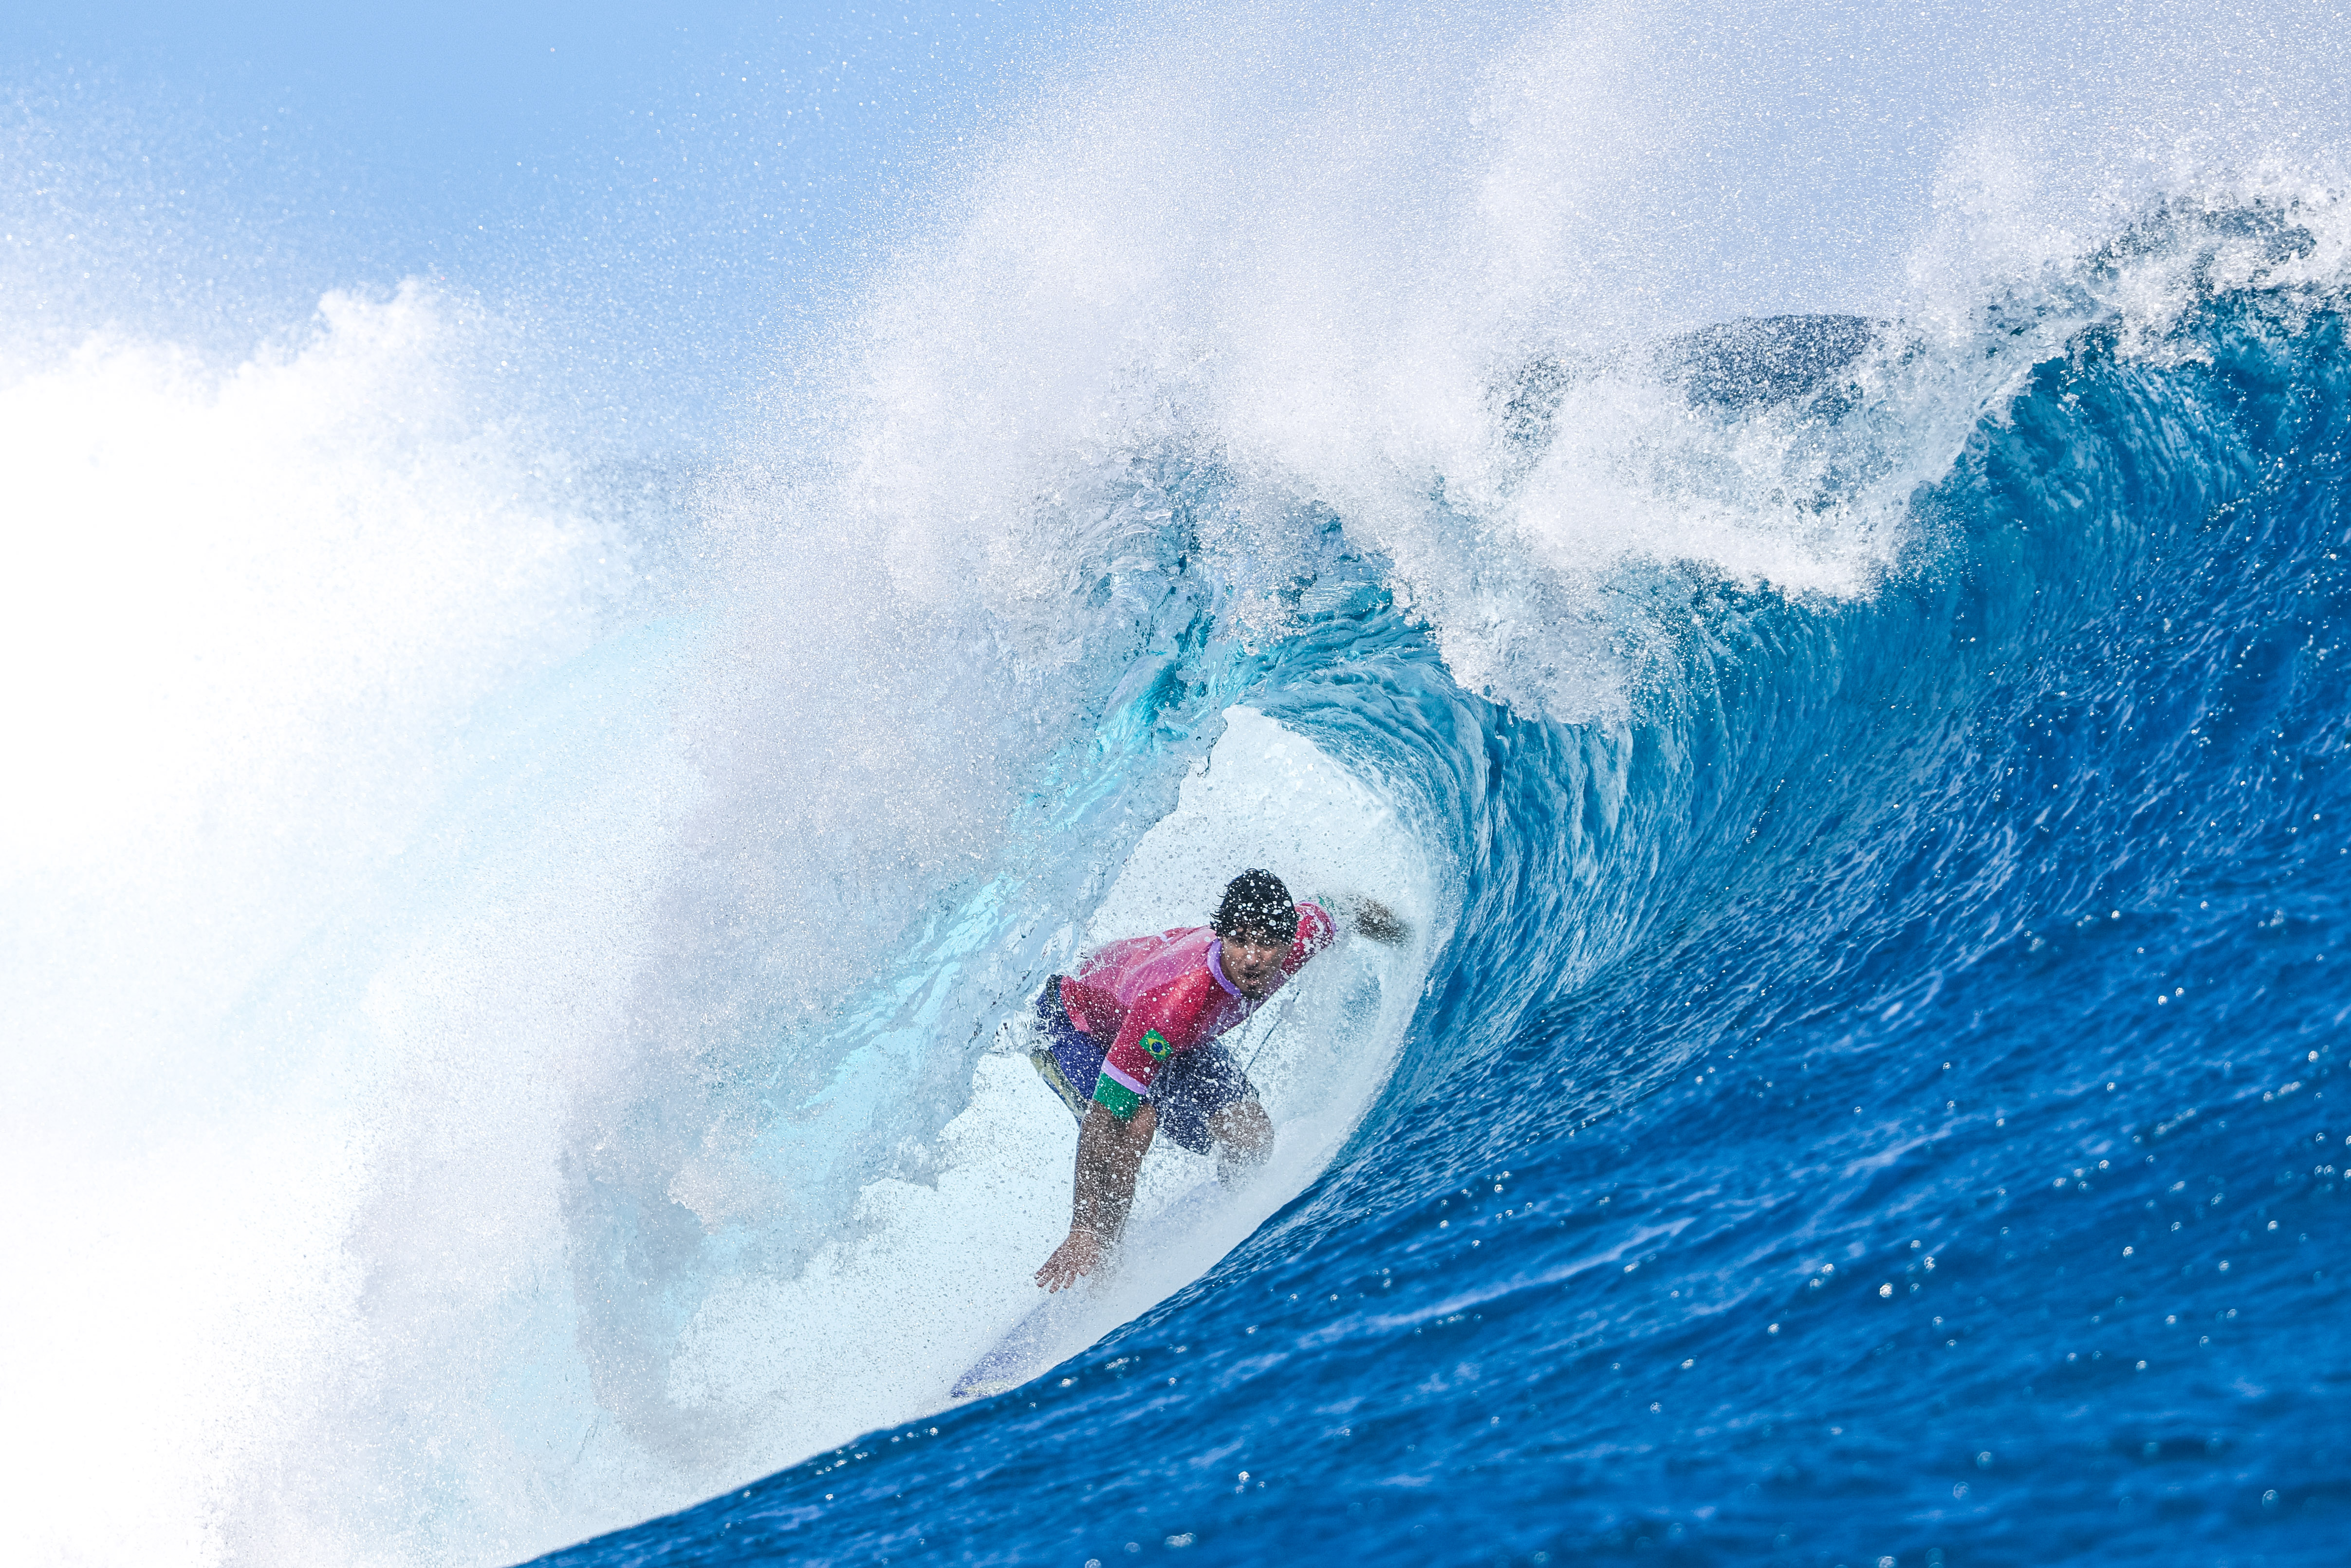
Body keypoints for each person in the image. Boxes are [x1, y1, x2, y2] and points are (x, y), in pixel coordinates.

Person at [1028, 868, 1405, 1291]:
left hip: (1170, 1033)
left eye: (1266, 943)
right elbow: (1104, 1116)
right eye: (1240, 940)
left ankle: (1239, 1239)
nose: (1251, 956)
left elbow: (1342, 905)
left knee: (1249, 1135)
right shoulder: (1173, 1003)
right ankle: (1103, 1264)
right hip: (1071, 1023)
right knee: (1136, 1121)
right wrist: (1083, 1223)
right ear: (1221, 936)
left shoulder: (1301, 938)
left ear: (1289, 942)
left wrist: (1413, 939)